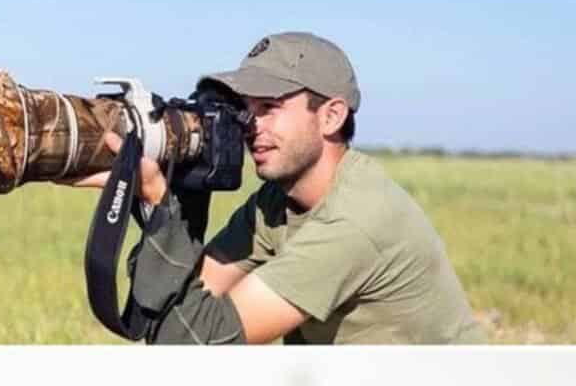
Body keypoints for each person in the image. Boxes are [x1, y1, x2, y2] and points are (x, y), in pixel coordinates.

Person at [84, 32, 485, 345]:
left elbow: (195, 344)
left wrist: (160, 202)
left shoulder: (357, 219)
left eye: (269, 108)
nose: (249, 126)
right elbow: (168, 308)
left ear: (331, 117)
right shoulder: (277, 203)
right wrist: (169, 191)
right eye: (245, 109)